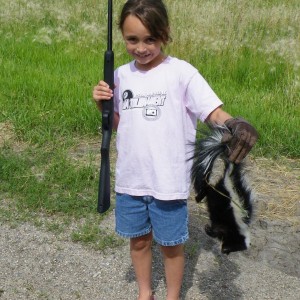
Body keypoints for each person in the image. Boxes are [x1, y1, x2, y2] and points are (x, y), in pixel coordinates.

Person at [93, 1, 258, 299]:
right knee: (139, 242)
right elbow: (121, 125)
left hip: (167, 183)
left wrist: (235, 123)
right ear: (122, 36)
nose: (141, 48)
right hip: (131, 179)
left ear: (164, 34)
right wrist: (102, 105)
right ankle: (145, 292)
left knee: (171, 246)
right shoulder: (120, 75)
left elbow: (213, 112)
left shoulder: (182, 73)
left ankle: (172, 295)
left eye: (149, 40)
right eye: (132, 40)